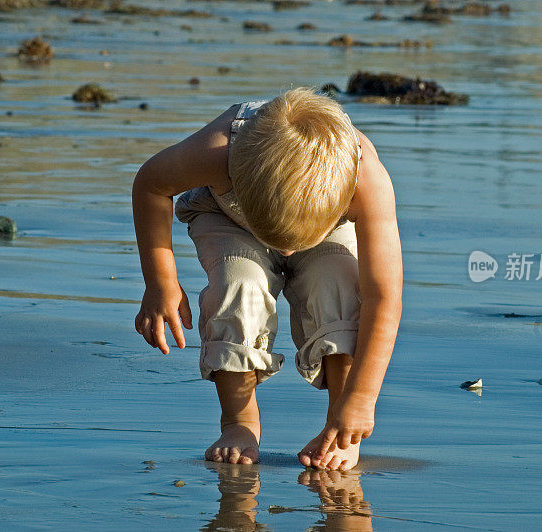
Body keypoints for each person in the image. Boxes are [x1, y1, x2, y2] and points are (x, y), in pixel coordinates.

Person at [132, 87, 402, 471]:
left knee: (337, 286)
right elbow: (151, 183)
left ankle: (341, 428)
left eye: (294, 246)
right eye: (281, 245)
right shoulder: (217, 151)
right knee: (238, 285)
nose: (287, 255)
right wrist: (160, 281)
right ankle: (239, 423)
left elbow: (383, 297)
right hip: (227, 216)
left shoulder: (366, 180)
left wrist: (363, 398)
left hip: (330, 223)